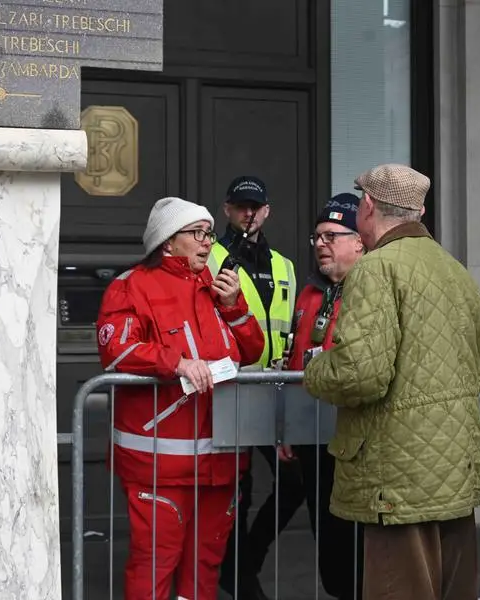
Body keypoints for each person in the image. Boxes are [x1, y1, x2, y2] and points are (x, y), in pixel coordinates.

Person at [303, 164, 480, 600]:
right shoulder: (454, 270)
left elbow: (359, 374)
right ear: (419, 210)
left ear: (367, 205)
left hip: (396, 478)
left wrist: (314, 370)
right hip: (454, 468)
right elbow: (477, 369)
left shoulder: (377, 268)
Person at [96, 196, 266, 600]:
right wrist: (176, 363)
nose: (207, 243)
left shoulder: (214, 287)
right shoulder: (132, 286)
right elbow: (116, 349)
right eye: (197, 234)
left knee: (205, 566)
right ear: (168, 242)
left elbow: (253, 350)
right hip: (160, 462)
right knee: (155, 562)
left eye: (208, 234)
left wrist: (234, 306)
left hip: (219, 459)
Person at [206, 176, 301, 600]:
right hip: (232, 388)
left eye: (255, 207)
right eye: (241, 206)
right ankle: (237, 576)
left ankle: (247, 559)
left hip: (276, 389)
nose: (248, 213)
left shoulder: (284, 265)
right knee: (237, 490)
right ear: (228, 209)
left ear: (266, 211)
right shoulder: (212, 258)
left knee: (296, 479)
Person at [279, 193, 366, 600]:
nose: (320, 244)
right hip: (313, 437)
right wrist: (287, 427)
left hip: (357, 440)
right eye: (317, 236)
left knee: (360, 545)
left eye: (331, 236)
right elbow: (296, 362)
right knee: (329, 543)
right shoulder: (310, 293)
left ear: (359, 242)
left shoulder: (373, 291)